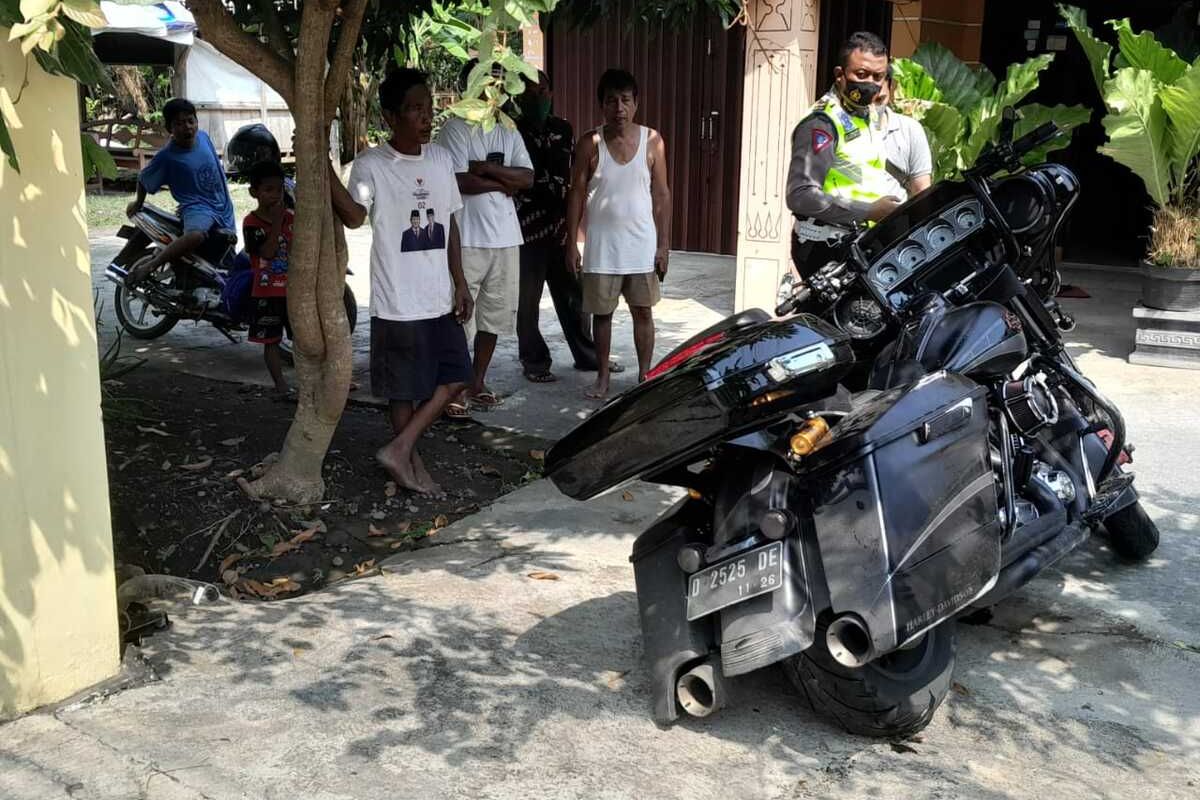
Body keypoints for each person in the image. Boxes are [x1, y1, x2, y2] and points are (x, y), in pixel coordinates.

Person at [330, 68, 475, 495]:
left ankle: (401, 449)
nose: (426, 118)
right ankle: (410, 463)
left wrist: (460, 282)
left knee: (458, 376)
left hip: (438, 297)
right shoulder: (373, 164)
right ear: (391, 116)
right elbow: (355, 216)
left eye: (429, 109)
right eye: (415, 110)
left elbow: (449, 222)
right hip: (397, 299)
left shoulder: (441, 159)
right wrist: (319, 166)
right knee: (403, 391)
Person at [436, 59, 535, 416]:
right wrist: (503, 182)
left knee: (494, 318)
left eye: (498, 82)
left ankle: (476, 381)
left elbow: (527, 178)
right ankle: (454, 389)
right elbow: (458, 180)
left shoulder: (509, 129)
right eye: (485, 81)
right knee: (461, 316)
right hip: (468, 237)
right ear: (470, 86)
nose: (493, 89)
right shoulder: (456, 128)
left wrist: (489, 170)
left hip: (506, 238)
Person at [564, 68, 671, 399]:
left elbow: (662, 194)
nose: (619, 108)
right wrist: (572, 242)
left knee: (643, 311)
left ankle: (645, 374)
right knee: (603, 314)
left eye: (626, 100)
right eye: (612, 101)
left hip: (641, 246)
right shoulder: (589, 143)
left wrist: (664, 245)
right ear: (602, 105)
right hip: (602, 248)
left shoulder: (653, 141)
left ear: (636, 103)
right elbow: (576, 194)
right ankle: (602, 377)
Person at [514, 70, 613, 384]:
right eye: (531, 92)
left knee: (574, 297)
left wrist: (573, 230)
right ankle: (535, 362)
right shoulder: (511, 130)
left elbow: (574, 179)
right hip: (524, 230)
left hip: (559, 229)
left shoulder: (564, 129)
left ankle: (588, 356)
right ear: (518, 95)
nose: (539, 97)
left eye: (544, 90)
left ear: (552, 93)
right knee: (527, 303)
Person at [785, 32, 904, 282]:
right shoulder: (822, 123)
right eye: (861, 75)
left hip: (857, 241)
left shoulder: (866, 115)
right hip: (825, 244)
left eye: (878, 77)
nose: (870, 83)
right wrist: (869, 211)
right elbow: (800, 195)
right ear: (840, 75)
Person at [124, 98, 236, 292]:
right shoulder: (167, 156)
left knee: (226, 256)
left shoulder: (203, 137)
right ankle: (150, 266)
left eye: (190, 121)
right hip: (197, 207)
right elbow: (144, 178)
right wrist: (138, 202)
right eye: (179, 123)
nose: (187, 127)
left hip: (222, 206)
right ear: (169, 128)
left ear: (196, 122)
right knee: (196, 236)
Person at [241, 160, 294, 399]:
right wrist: (276, 222)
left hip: (292, 291)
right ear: (255, 192)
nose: (275, 195)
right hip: (267, 292)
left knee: (304, 340)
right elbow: (268, 252)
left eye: (279, 189)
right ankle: (280, 384)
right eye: (268, 190)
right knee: (271, 340)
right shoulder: (251, 223)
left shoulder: (291, 217)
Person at [875, 65, 933, 197]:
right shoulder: (837, 127)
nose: (873, 108)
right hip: (848, 216)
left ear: (890, 91)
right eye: (867, 100)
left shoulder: (911, 130)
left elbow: (921, 191)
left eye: (879, 100)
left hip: (897, 216)